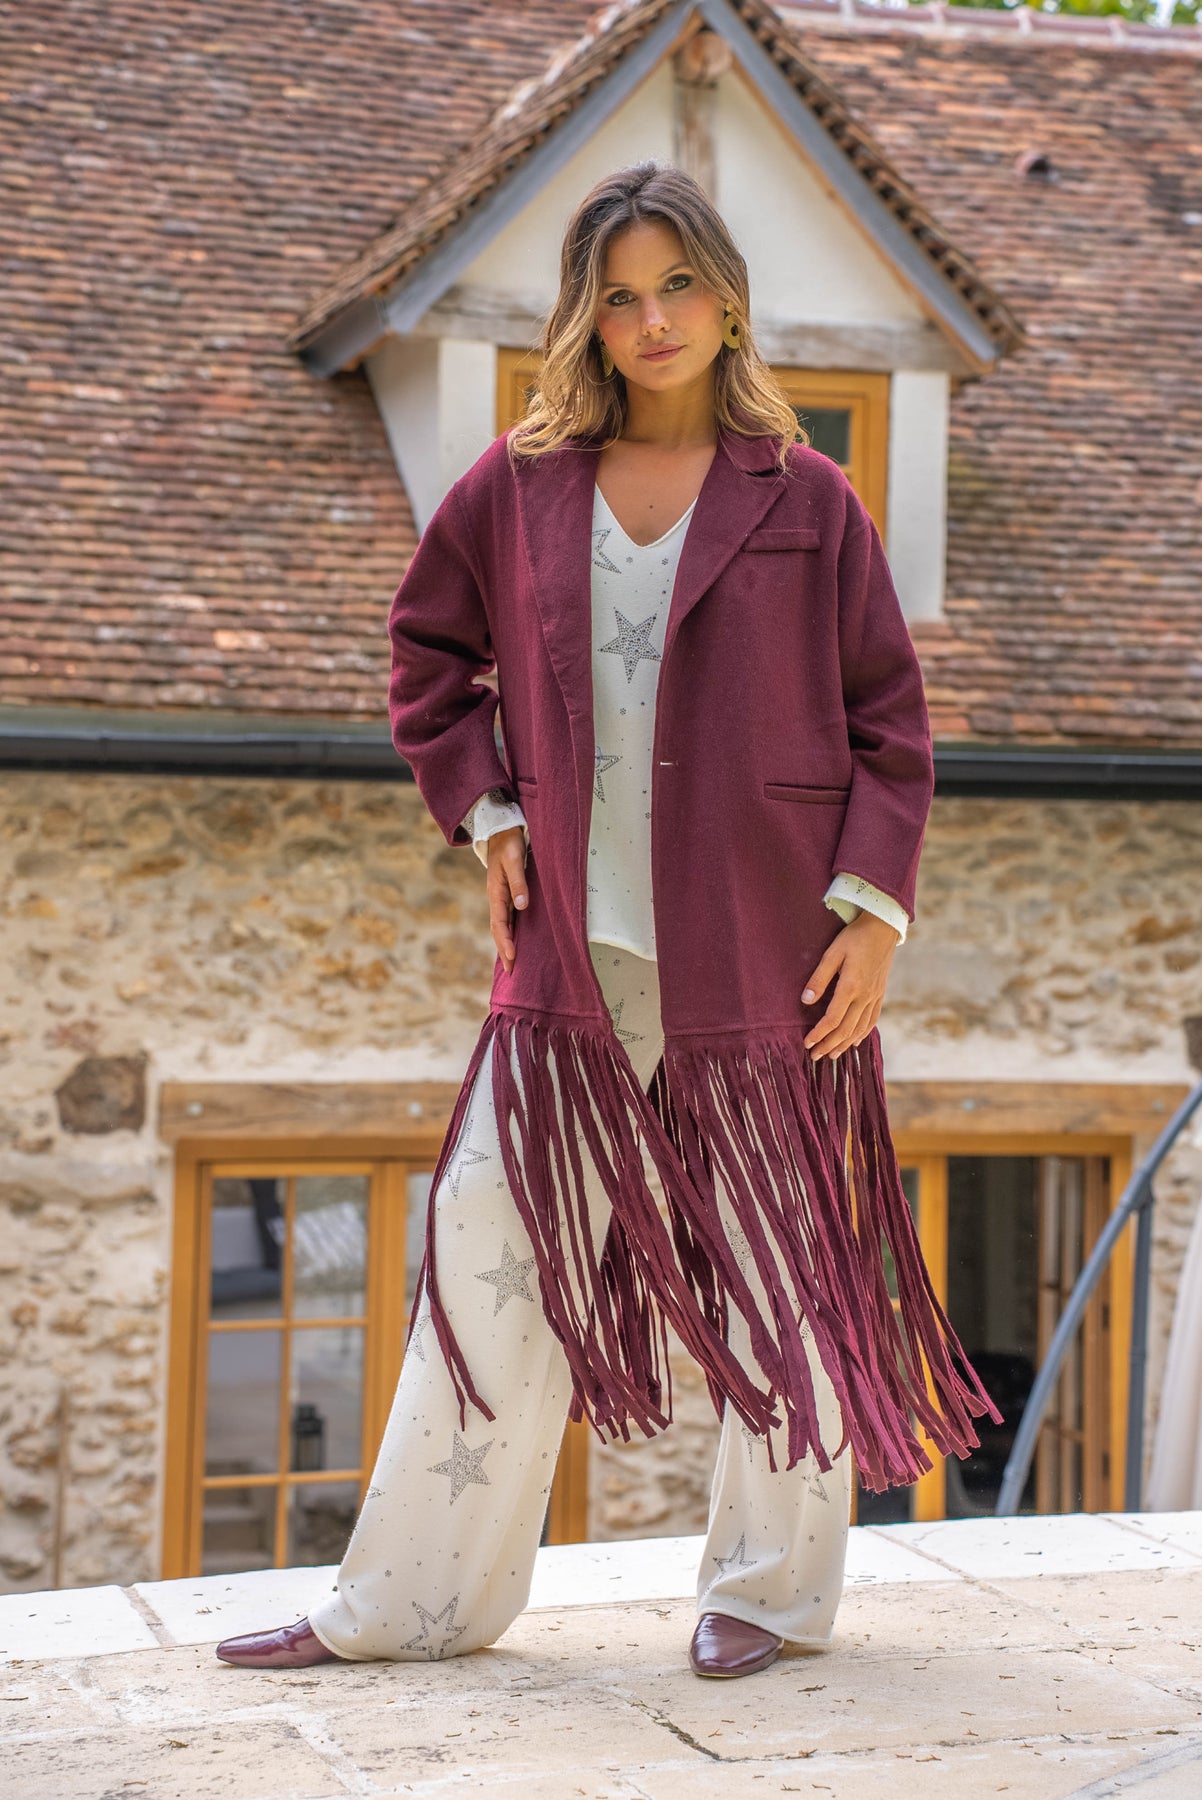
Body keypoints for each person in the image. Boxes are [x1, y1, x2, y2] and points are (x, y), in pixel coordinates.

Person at [216, 161, 1001, 1680]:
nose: (652, 320)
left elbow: (890, 726)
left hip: (768, 951)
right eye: (621, 295)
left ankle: (768, 1594)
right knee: (484, 1251)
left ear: (726, 299)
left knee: (783, 1273)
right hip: (570, 960)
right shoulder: (514, 490)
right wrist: (489, 813)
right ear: (585, 315)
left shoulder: (809, 499)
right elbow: (426, 659)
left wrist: (873, 916)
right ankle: (410, 1605)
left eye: (678, 285)